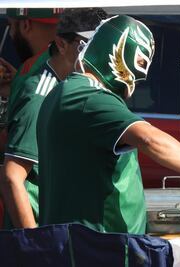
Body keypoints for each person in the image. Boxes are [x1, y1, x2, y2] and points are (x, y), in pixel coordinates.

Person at [37, 15, 180, 234]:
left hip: (85, 241)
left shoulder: (63, 92)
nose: (136, 80)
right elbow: (150, 139)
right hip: (97, 245)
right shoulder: (89, 98)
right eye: (141, 63)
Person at [0, 8, 107, 229]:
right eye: (87, 44)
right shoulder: (41, 92)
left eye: (103, 44)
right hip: (40, 231)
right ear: (62, 44)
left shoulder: (49, 73)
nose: (98, 52)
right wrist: (34, 244)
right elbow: (11, 176)